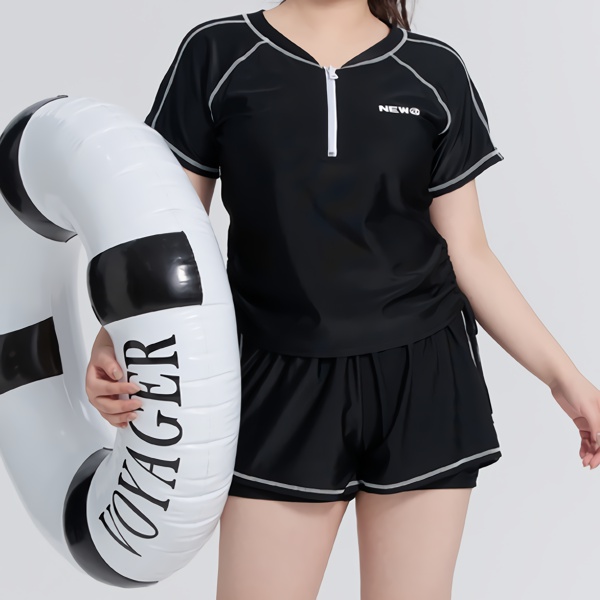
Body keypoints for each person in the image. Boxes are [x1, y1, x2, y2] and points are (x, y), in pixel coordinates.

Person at [85, 1, 600, 598]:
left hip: (422, 380)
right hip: (275, 379)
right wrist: (117, 335)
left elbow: (469, 252)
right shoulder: (218, 53)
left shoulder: (433, 69)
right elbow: (171, 235)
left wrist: (567, 380)